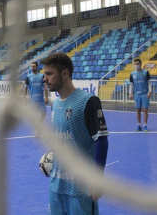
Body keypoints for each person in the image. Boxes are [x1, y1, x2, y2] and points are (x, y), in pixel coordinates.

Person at [41, 52, 109, 215]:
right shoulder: (55, 105)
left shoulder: (88, 101)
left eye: (49, 74)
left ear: (65, 74)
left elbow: (101, 139)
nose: (45, 79)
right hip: (56, 186)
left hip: (81, 189)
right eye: (44, 74)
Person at [24, 61, 48, 136]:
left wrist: (46, 97)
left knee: (43, 113)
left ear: (37, 67)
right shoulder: (28, 77)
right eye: (31, 66)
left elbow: (45, 88)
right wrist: (24, 99)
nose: (32, 67)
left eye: (34, 66)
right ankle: (37, 130)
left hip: (41, 99)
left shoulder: (42, 76)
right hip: (33, 100)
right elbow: (25, 88)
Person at [129, 58, 152, 132]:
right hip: (137, 94)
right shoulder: (132, 74)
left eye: (137, 64)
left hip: (145, 93)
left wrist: (150, 91)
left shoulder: (145, 72)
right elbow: (131, 85)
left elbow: (149, 82)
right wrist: (130, 93)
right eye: (135, 64)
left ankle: (145, 125)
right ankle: (139, 124)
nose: (136, 65)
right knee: (138, 110)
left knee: (145, 109)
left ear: (140, 64)